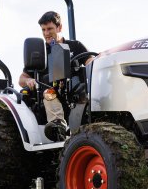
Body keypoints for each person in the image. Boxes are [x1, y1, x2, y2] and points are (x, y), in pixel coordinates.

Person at [18, 11, 93, 141]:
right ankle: (58, 127)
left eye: (50, 29)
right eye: (43, 30)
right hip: (49, 93)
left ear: (59, 27)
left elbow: (90, 62)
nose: (46, 33)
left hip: (75, 93)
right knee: (49, 92)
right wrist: (29, 80)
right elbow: (21, 79)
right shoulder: (40, 52)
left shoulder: (75, 46)